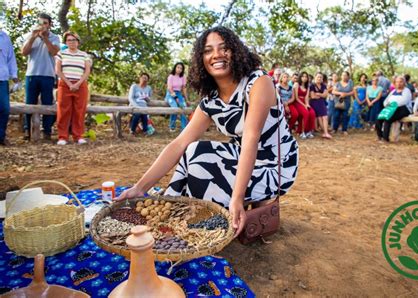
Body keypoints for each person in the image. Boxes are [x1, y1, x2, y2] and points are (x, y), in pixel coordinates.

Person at [114, 26, 299, 236]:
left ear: (236, 51)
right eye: (208, 50)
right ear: (201, 59)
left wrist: (237, 198)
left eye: (224, 48)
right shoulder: (211, 100)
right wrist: (140, 188)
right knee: (192, 150)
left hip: (274, 165)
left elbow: (251, 138)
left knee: (202, 161)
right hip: (242, 157)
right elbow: (179, 143)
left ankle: (209, 227)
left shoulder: (258, 82)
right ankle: (173, 216)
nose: (216, 55)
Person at [21, 13, 60, 141]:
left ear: (49, 25)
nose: (42, 26)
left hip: (48, 74)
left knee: (47, 102)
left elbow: (54, 52)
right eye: (40, 23)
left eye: (45, 23)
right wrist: (33, 37)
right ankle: (27, 130)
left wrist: (45, 38)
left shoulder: (55, 37)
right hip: (32, 74)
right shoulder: (30, 35)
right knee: (29, 102)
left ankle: (47, 131)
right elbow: (24, 52)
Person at [55, 32, 91, 145]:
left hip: (80, 85)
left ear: (78, 42)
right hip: (65, 84)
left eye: (74, 40)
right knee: (63, 110)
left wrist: (78, 83)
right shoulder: (61, 54)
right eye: (69, 40)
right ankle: (62, 137)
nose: (72, 42)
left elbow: (87, 71)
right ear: (66, 42)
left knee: (79, 111)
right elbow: (58, 70)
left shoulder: (84, 55)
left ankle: (78, 136)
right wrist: (69, 84)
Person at [375, 76, 412, 142]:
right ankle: (379, 136)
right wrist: (387, 105)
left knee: (388, 118)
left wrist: (393, 104)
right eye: (397, 82)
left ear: (404, 83)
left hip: (403, 108)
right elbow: (386, 101)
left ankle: (385, 138)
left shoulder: (407, 90)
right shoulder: (393, 91)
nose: (399, 83)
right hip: (391, 108)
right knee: (379, 117)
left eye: (401, 82)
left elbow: (404, 101)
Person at [0, 29, 18, 146]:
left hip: (2, 78)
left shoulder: (5, 37)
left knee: (4, 109)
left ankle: (1, 136)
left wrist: (14, 75)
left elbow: (11, 58)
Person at [290, 72, 315, 139]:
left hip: (304, 102)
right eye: (303, 76)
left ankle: (309, 131)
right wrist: (304, 105)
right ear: (300, 77)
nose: (304, 78)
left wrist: (307, 104)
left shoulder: (307, 86)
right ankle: (302, 132)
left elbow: (306, 97)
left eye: (306, 77)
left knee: (312, 113)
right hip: (297, 102)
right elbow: (296, 98)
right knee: (306, 113)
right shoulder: (296, 84)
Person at [165, 62, 188, 132]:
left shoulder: (183, 77)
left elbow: (184, 88)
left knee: (183, 107)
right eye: (178, 67)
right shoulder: (171, 76)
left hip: (179, 94)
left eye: (181, 68)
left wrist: (186, 99)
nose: (179, 69)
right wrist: (175, 98)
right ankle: (172, 127)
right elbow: (169, 88)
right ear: (175, 68)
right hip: (170, 94)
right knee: (174, 108)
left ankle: (184, 128)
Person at [308, 72, 331, 139]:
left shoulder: (323, 85)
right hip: (314, 103)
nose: (319, 78)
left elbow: (325, 95)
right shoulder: (312, 86)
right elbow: (312, 96)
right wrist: (321, 95)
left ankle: (325, 132)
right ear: (315, 77)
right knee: (320, 117)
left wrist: (318, 94)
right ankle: (325, 132)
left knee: (324, 117)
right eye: (318, 77)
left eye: (321, 77)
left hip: (322, 102)